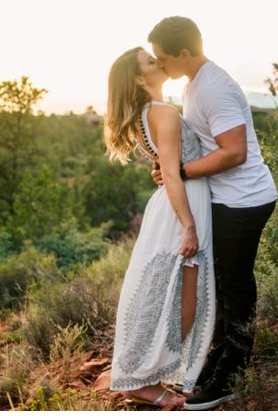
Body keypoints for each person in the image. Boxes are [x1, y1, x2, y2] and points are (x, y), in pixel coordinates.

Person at [147, 16, 278, 411]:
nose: (160, 66)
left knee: (235, 288)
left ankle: (231, 376)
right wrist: (168, 167)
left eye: (163, 58)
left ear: (184, 52)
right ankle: (218, 363)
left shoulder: (214, 88)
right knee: (222, 286)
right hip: (227, 199)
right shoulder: (193, 84)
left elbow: (234, 152)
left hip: (243, 201)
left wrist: (182, 172)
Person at [103, 46, 215, 409]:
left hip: (174, 204)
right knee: (184, 294)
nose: (158, 62)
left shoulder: (146, 114)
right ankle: (143, 380)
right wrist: (189, 226)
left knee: (172, 293)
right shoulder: (163, 112)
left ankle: (153, 373)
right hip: (180, 209)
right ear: (139, 78)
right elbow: (169, 171)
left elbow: (167, 168)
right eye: (150, 62)